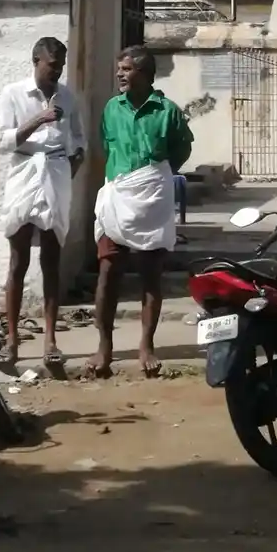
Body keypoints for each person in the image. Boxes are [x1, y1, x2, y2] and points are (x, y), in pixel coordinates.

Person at [88, 45, 193, 378]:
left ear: (146, 74)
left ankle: (146, 344)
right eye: (119, 68)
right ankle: (104, 344)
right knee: (108, 271)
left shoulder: (168, 111)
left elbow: (181, 149)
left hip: (152, 199)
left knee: (151, 275)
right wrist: (127, 181)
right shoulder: (111, 108)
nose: (120, 73)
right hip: (117, 197)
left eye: (127, 69)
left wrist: (153, 180)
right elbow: (106, 146)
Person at [0, 36, 85, 373]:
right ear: (36, 61)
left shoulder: (68, 97)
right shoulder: (13, 93)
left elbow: (79, 139)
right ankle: (12, 339)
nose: (56, 71)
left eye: (60, 66)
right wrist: (39, 120)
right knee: (18, 259)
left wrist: (71, 166)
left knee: (52, 259)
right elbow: (3, 140)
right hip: (23, 174)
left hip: (55, 174)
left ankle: (50, 341)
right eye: (51, 65)